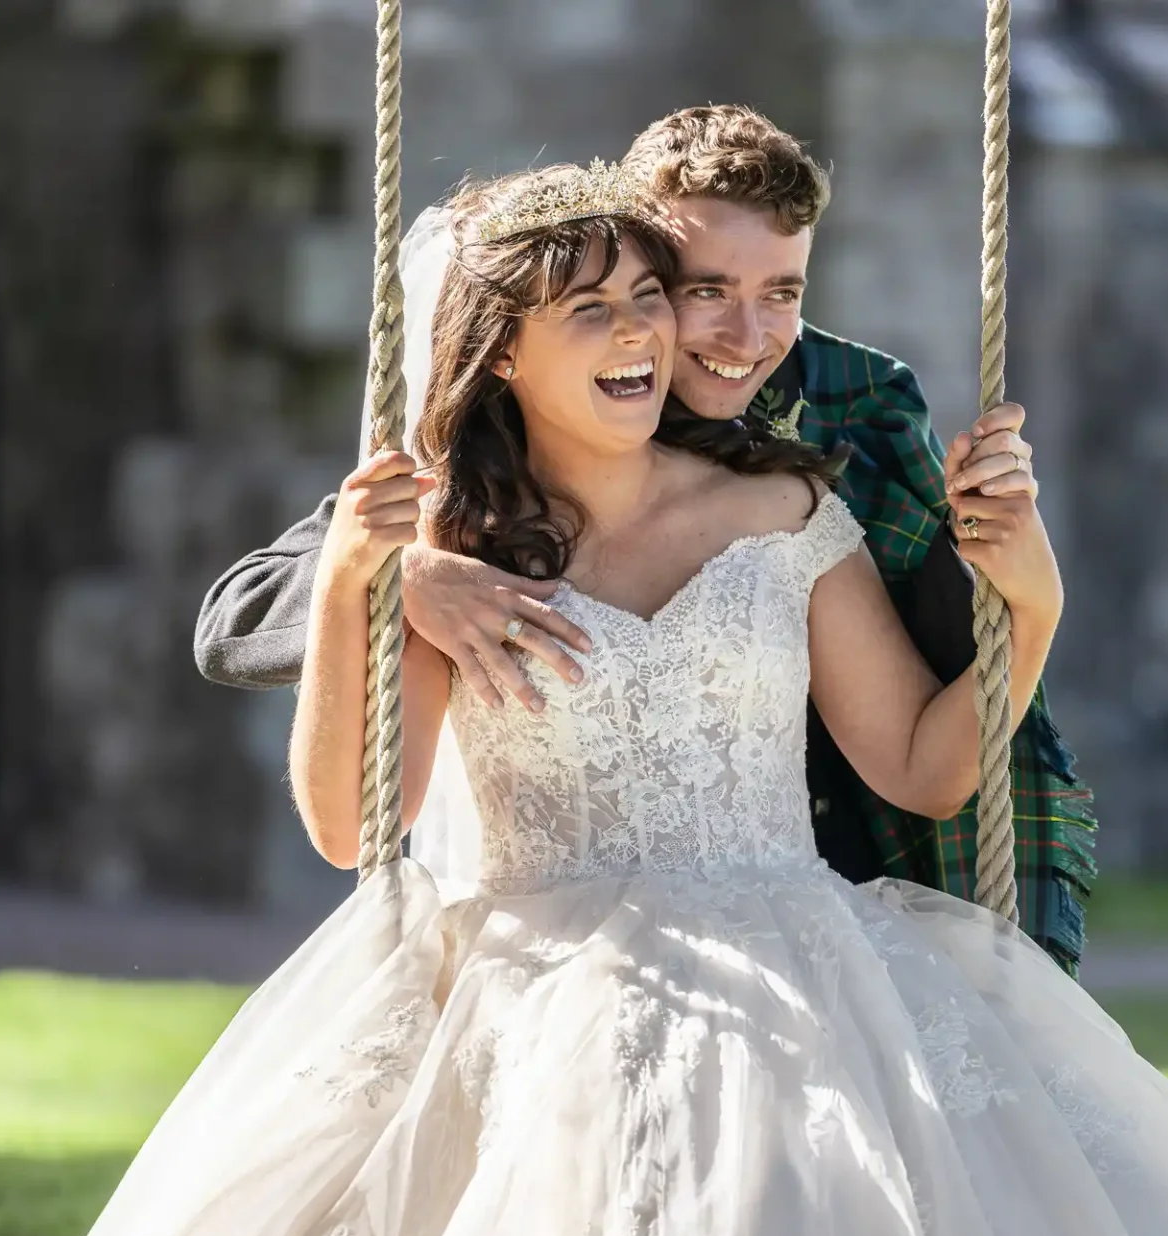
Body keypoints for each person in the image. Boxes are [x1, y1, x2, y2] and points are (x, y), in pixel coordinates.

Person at [66, 163, 1168, 1236]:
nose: (640, 335)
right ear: (502, 352)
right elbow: (348, 825)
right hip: (537, 984)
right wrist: (358, 582)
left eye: (648, 300)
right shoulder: (457, 549)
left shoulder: (783, 510)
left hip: (798, 966)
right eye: (590, 310)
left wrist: (1031, 609)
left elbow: (925, 768)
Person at [193, 106, 1097, 973]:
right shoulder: (461, 521)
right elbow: (284, 654)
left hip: (816, 915)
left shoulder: (829, 443)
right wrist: (399, 578)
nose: (741, 336)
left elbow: (924, 748)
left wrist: (1033, 598)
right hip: (545, 970)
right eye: (700, 290)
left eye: (780, 291)